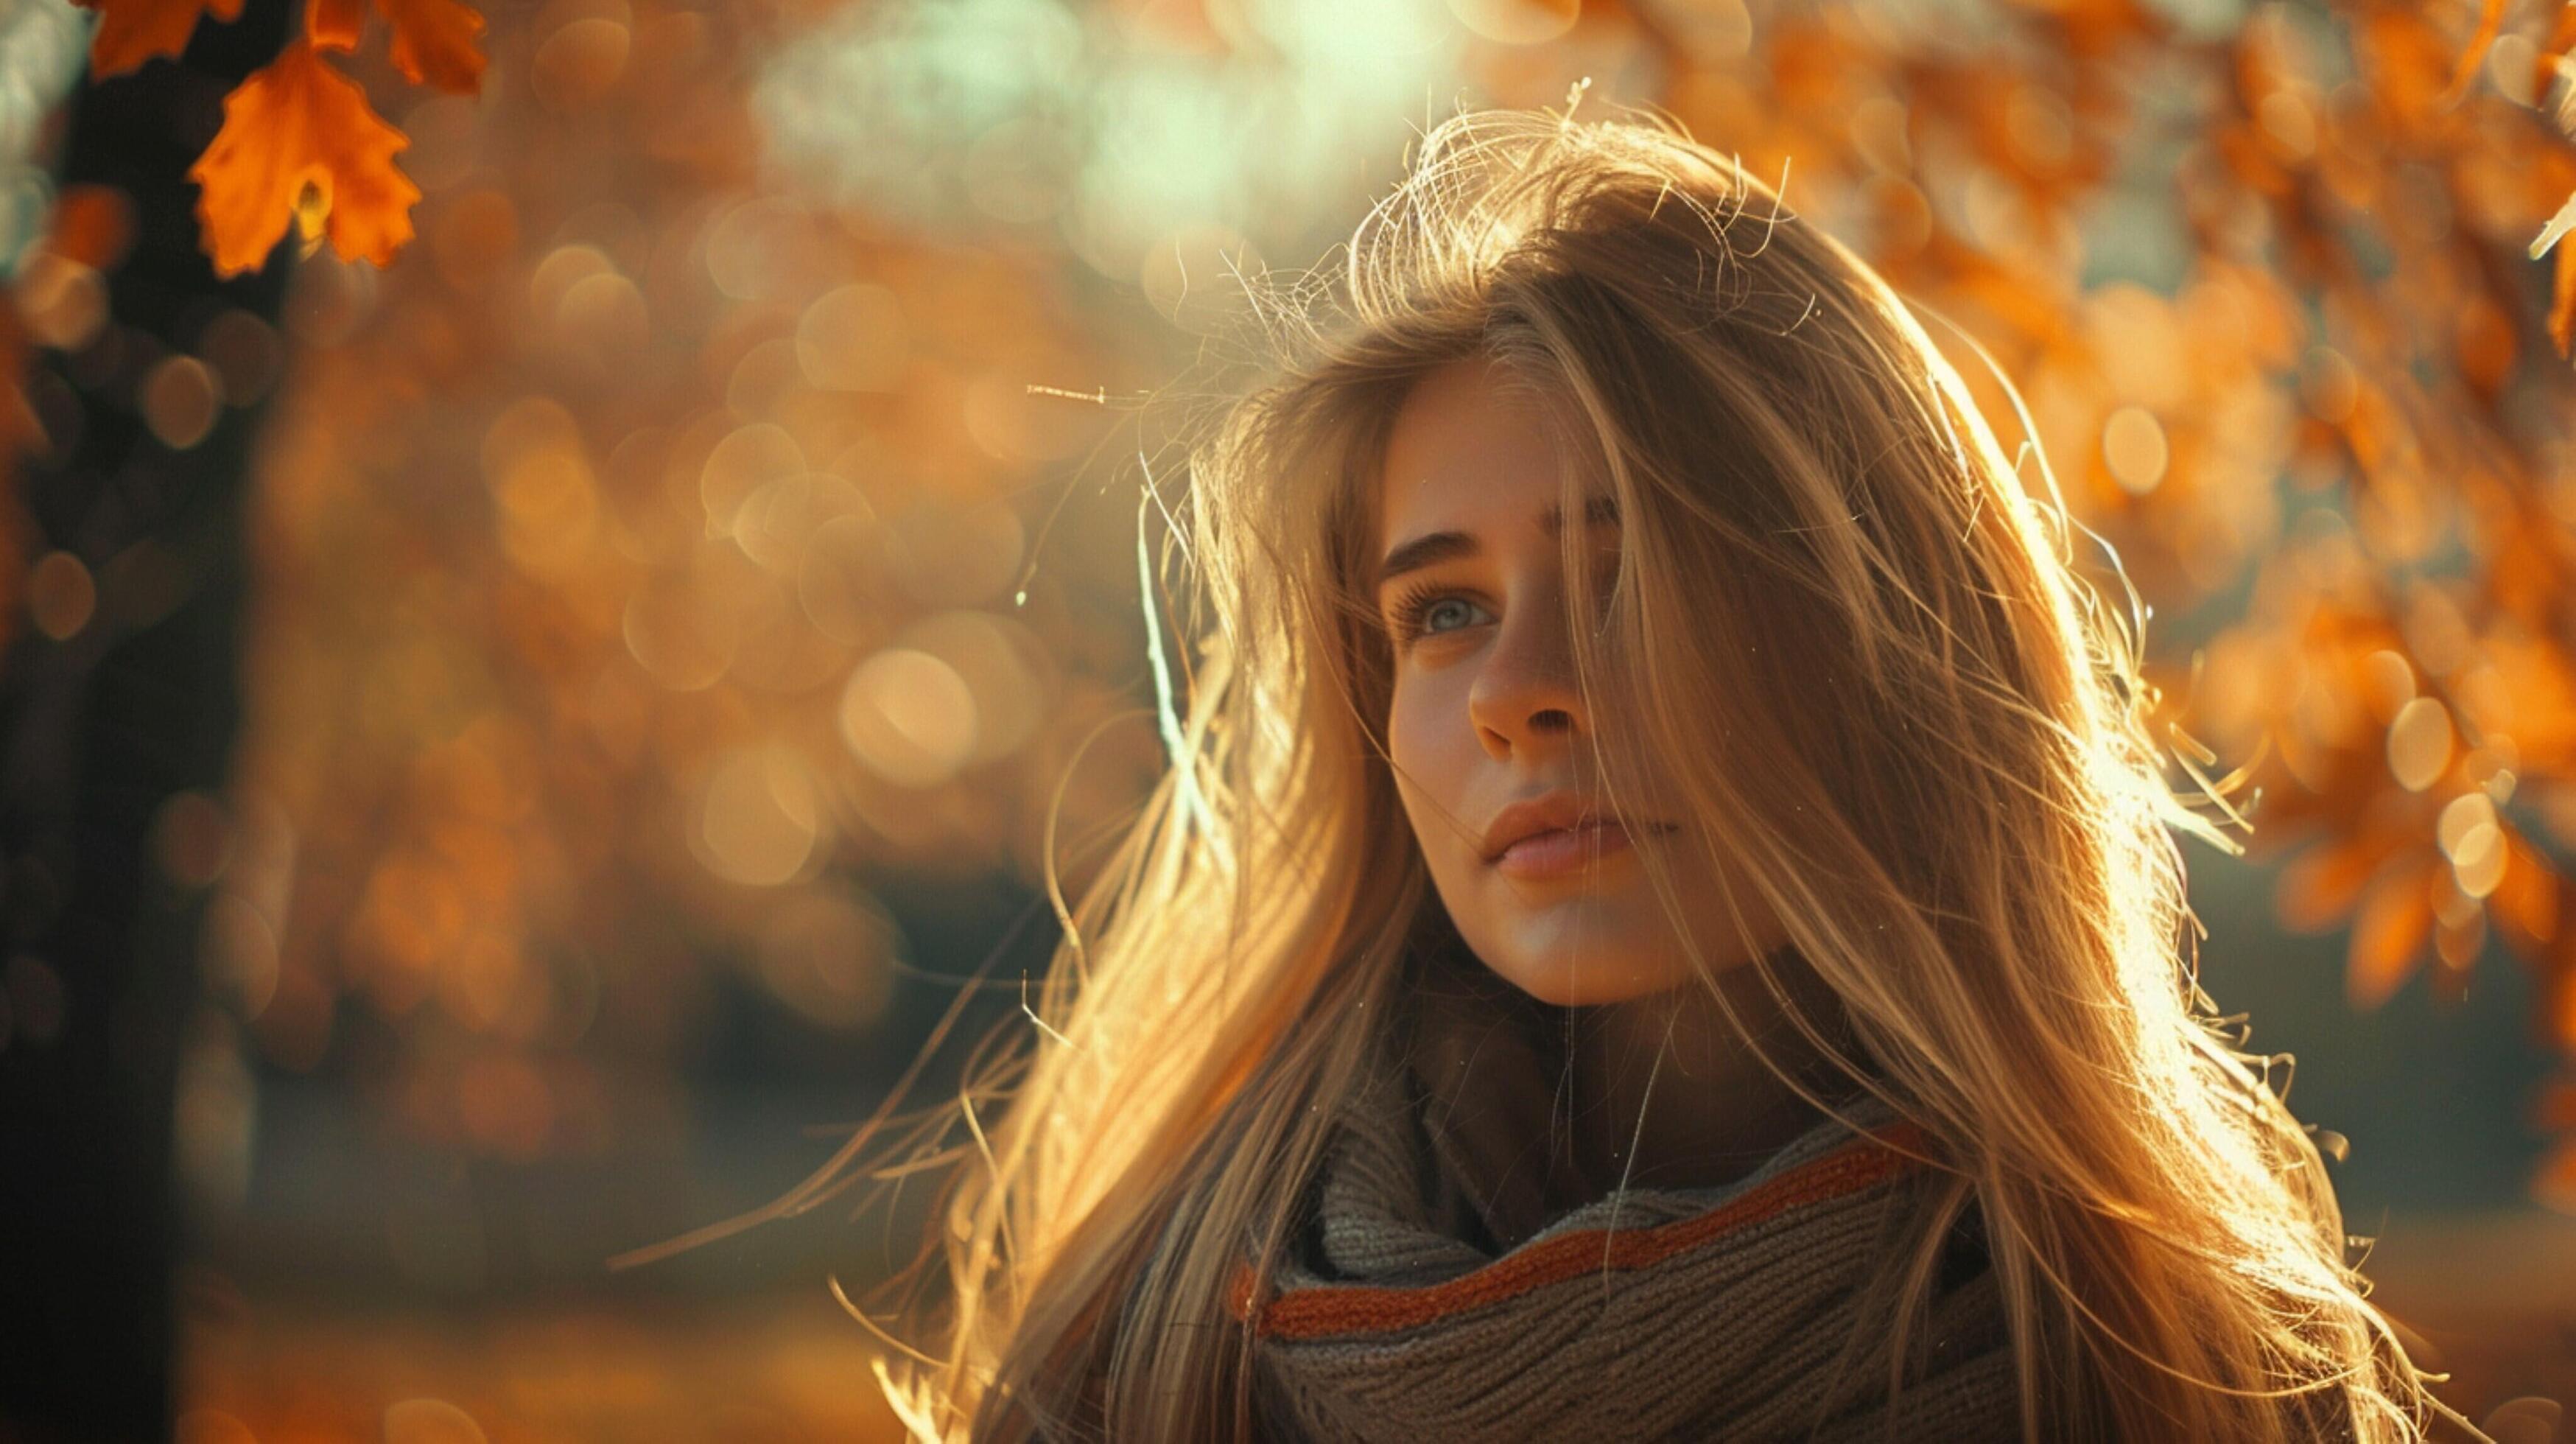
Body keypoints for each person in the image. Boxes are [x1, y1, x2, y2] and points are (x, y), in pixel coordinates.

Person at [866, 105, 2513, 1441]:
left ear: (1882, 635)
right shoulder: (1150, 1364)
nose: (1519, 697)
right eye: (1445, 610)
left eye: (1630, 570)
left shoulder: (2181, 1364)